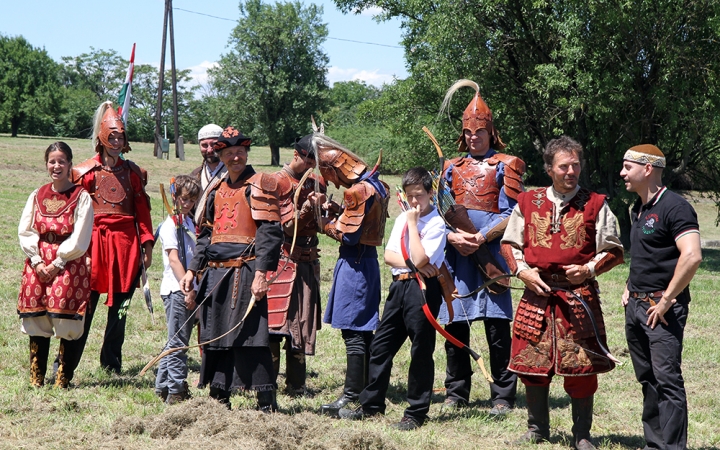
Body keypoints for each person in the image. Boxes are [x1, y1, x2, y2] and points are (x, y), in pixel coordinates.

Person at [501, 136, 625, 450]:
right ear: (549, 169)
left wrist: (588, 270)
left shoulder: (596, 202)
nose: (571, 171)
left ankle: (582, 435)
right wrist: (523, 272)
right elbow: (509, 244)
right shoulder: (528, 202)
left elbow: (613, 249)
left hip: (578, 296)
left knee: (581, 368)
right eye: (564, 166)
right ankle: (537, 429)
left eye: (575, 165)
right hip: (537, 293)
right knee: (533, 366)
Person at [436, 79, 525, 416]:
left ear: (491, 131)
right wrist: (452, 237)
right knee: (455, 321)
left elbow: (512, 212)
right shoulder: (449, 168)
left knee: (496, 326)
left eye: (480, 132)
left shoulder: (506, 164)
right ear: (463, 133)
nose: (474, 138)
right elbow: (439, 212)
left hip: (491, 256)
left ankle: (502, 394)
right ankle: (456, 390)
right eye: (469, 133)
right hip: (456, 257)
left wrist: (481, 238)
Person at [179, 126, 283, 412]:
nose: (235, 157)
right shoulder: (216, 188)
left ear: (246, 153)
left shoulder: (259, 184)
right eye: (229, 153)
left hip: (246, 271)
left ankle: (265, 402)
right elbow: (205, 235)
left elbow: (270, 234)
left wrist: (262, 274)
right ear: (221, 156)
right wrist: (193, 269)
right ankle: (219, 398)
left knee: (250, 335)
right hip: (214, 273)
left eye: (239, 152)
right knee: (215, 335)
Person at [338, 167, 447, 430]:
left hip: (423, 290)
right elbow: (389, 257)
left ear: (431, 193)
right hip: (399, 288)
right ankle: (372, 404)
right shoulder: (403, 218)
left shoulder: (436, 223)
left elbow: (423, 260)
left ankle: (416, 412)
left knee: (420, 350)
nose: (413, 202)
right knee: (381, 346)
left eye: (419, 195)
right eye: (409, 196)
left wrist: (412, 225)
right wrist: (415, 263)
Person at [52, 101, 154, 381]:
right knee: (81, 309)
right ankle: (63, 366)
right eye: (113, 136)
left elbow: (142, 213)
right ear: (101, 137)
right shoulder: (85, 173)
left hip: (125, 248)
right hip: (93, 247)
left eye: (121, 136)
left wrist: (147, 247)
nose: (117, 141)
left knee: (119, 311)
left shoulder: (134, 173)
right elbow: (70, 214)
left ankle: (112, 363)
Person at [620, 144, 701, 450]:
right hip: (637, 306)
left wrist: (667, 300)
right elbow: (646, 256)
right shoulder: (637, 209)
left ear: (648, 169)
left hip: (661, 308)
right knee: (648, 379)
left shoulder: (675, 207)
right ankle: (655, 444)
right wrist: (630, 285)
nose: (622, 173)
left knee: (667, 380)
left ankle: (672, 447)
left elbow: (692, 256)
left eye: (628, 167)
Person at [315, 134, 390, 416]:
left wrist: (325, 224)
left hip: (356, 264)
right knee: (362, 330)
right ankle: (367, 388)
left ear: (337, 168)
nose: (333, 183)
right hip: (366, 262)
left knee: (354, 330)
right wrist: (339, 212)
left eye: (331, 176)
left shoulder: (357, 191)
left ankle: (352, 394)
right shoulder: (376, 185)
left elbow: (349, 236)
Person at [18, 142, 94, 388]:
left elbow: (81, 235)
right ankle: (36, 378)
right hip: (38, 263)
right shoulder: (37, 194)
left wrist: (59, 260)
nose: (56, 166)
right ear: (46, 164)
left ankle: (63, 379)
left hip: (69, 263)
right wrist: (38, 261)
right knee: (37, 318)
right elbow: (26, 230)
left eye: (62, 161)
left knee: (66, 320)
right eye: (52, 161)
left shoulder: (81, 196)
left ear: (70, 164)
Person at [269, 135, 326, 396]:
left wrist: (327, 210)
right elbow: (284, 227)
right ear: (297, 154)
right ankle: (266, 384)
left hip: (307, 260)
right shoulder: (277, 182)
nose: (312, 165)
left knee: (302, 326)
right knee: (274, 326)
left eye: (316, 161)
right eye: (309, 159)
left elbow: (320, 225)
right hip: (281, 261)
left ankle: (296, 385)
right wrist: (303, 209)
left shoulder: (316, 181)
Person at [154, 175, 202, 404]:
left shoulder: (190, 222)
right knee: (178, 344)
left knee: (175, 339)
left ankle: (162, 386)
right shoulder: (169, 225)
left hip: (190, 288)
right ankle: (176, 390)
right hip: (177, 289)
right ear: (174, 197)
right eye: (184, 199)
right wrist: (187, 289)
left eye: (192, 199)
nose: (188, 203)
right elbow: (174, 260)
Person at [191, 123, 227, 191]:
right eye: (204, 145)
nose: (209, 150)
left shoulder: (234, 172)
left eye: (214, 144)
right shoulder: (195, 175)